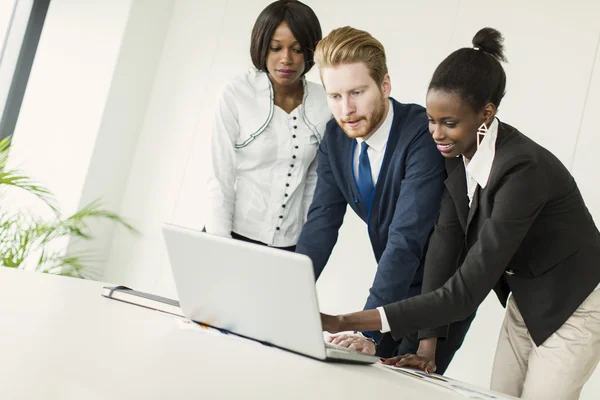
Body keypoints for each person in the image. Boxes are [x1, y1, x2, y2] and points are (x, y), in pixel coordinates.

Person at [321, 27, 600, 400]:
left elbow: (464, 292)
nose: (437, 134)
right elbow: (444, 247)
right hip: (528, 302)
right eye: (432, 121)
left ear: (486, 113)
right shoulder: (457, 154)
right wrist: (426, 347)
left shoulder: (522, 171)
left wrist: (348, 321)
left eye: (449, 123)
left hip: (577, 306)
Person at [295, 26, 475, 373]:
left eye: (357, 92)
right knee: (357, 372)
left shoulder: (422, 135)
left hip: (439, 294)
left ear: (385, 86)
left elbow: (406, 238)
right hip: (394, 284)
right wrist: (284, 297)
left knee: (402, 383)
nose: (346, 108)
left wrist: (366, 329)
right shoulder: (336, 137)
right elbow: (321, 224)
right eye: (334, 96)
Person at [205, 0, 331, 251]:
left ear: (310, 51)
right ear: (262, 47)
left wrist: (304, 249)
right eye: (276, 48)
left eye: (296, 49)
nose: (286, 59)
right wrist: (219, 246)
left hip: (288, 245)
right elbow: (220, 177)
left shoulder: (325, 103)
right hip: (231, 234)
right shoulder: (236, 94)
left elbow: (314, 182)